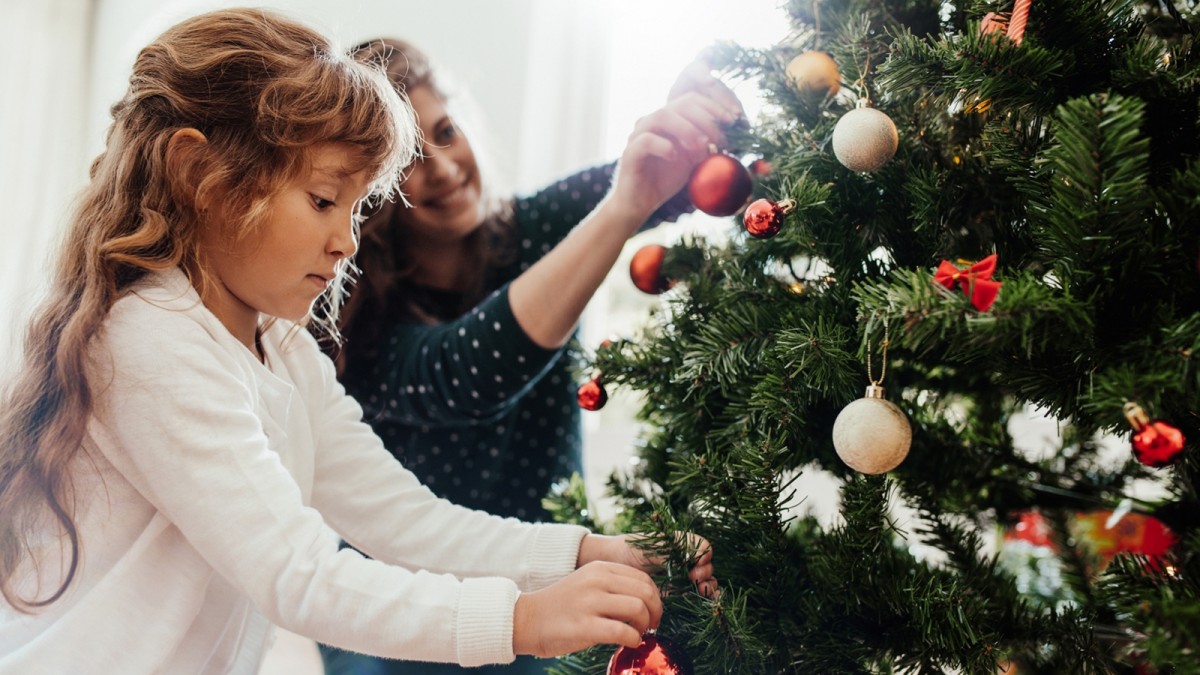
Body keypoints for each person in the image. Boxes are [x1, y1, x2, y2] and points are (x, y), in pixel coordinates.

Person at [0, 9, 716, 674]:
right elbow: (298, 574)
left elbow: (407, 521)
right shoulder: (149, 335)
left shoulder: (282, 349)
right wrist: (522, 619)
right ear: (200, 176)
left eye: (356, 208)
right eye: (323, 200)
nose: (347, 241)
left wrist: (587, 551)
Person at [321, 38, 743, 675]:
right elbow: (468, 375)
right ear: (367, 189)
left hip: (553, 585)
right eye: (409, 157)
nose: (443, 167)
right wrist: (622, 207)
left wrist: (694, 119)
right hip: (406, 621)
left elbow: (671, 180)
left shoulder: (533, 226)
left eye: (446, 132)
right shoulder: (354, 318)